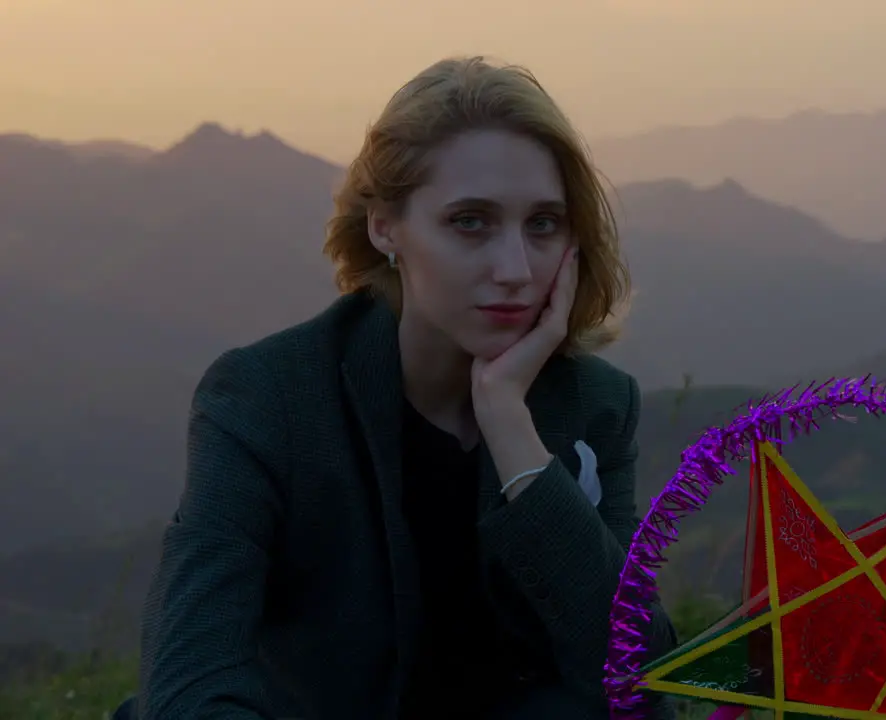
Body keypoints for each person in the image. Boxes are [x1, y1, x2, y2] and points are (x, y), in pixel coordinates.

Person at [116, 56, 677, 720]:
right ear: (386, 226)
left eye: (543, 224)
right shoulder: (267, 397)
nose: (515, 269)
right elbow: (190, 673)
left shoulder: (595, 405)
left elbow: (636, 678)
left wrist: (514, 437)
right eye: (470, 221)